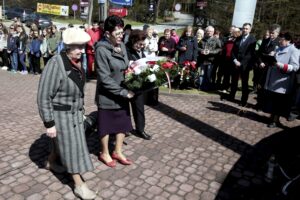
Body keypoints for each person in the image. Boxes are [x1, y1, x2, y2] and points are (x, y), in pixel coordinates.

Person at [37, 27, 97, 199]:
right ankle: (79, 185)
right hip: (61, 116)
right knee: (72, 150)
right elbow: (43, 95)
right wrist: (49, 123)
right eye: (77, 47)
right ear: (67, 46)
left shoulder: (76, 62)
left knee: (63, 144)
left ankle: (50, 161)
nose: (81, 50)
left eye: (83, 46)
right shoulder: (56, 63)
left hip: (74, 114)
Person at [95, 15, 135, 168]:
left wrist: (132, 72)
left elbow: (125, 65)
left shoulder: (122, 46)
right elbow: (104, 78)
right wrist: (122, 92)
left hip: (123, 91)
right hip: (108, 94)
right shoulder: (101, 49)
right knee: (106, 125)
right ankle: (104, 152)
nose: (121, 36)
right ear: (107, 34)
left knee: (122, 123)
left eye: (122, 33)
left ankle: (117, 151)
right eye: (117, 33)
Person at [264, 32, 299, 128]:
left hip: (282, 81)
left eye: (281, 39)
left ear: (288, 40)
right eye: (279, 39)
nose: (279, 41)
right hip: (273, 79)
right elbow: (274, 62)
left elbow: (295, 67)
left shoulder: (294, 50)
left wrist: (280, 65)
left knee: (279, 102)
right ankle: (272, 117)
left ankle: (275, 120)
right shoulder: (278, 48)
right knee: (273, 100)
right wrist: (270, 58)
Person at [126, 29, 153, 140]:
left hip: (138, 84)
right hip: (127, 84)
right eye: (139, 44)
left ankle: (140, 129)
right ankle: (125, 128)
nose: (141, 46)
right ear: (133, 40)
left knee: (139, 107)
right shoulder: (126, 50)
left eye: (143, 44)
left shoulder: (140, 50)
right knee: (124, 108)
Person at [229, 23, 256, 106]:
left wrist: (241, 63)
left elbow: (250, 54)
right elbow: (233, 51)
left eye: (247, 29)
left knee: (244, 83)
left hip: (245, 65)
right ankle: (231, 96)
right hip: (236, 63)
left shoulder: (252, 40)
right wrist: (235, 60)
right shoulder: (238, 38)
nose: (245, 30)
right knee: (234, 81)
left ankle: (243, 100)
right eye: (244, 28)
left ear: (250, 30)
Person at [255, 24, 281, 111]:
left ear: (277, 33)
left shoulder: (280, 43)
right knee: (260, 86)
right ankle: (259, 103)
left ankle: (266, 105)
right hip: (262, 67)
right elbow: (259, 53)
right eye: (270, 33)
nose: (271, 35)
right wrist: (260, 62)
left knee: (268, 88)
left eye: (273, 33)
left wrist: (275, 54)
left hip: (272, 68)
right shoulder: (265, 40)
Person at [198, 25, 222, 91]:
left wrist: (210, 52)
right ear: (205, 31)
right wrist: (201, 51)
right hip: (203, 59)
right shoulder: (202, 39)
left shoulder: (216, 40)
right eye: (208, 31)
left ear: (213, 32)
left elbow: (219, 49)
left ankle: (207, 87)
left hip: (211, 60)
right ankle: (201, 86)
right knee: (202, 74)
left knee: (209, 74)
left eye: (210, 31)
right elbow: (197, 47)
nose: (209, 32)